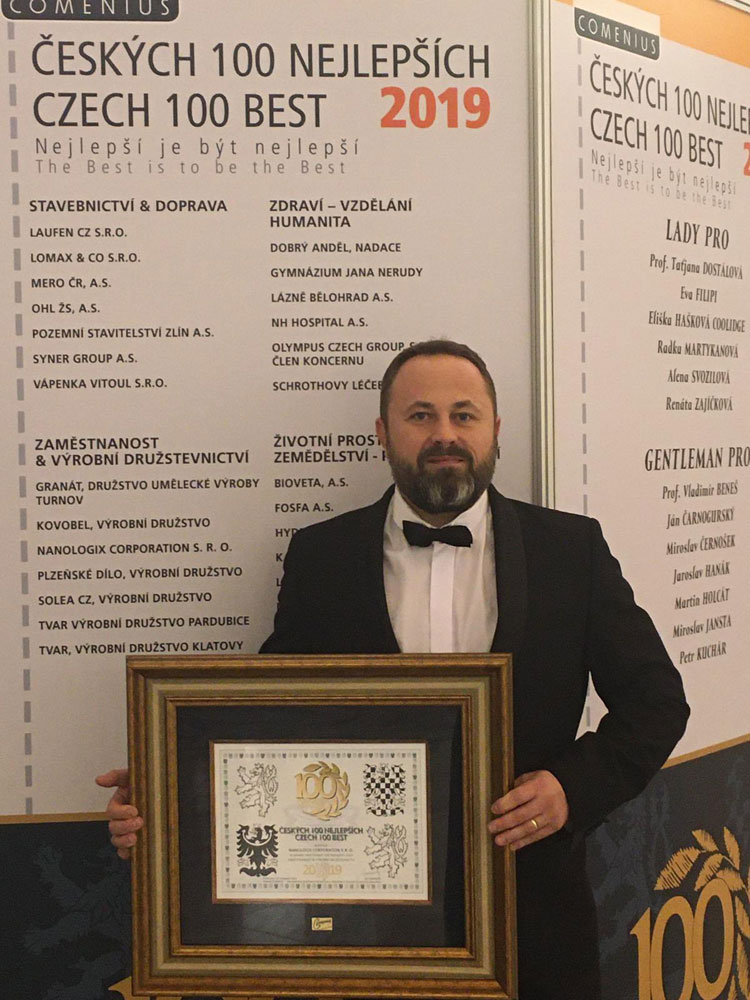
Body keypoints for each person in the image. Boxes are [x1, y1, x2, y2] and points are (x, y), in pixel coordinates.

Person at [98, 339, 689, 999]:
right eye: (420, 415)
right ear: (383, 432)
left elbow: (657, 703)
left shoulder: (571, 550)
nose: (444, 435)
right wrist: (168, 795)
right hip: (361, 927)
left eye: (464, 415)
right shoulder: (321, 557)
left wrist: (569, 789)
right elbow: (268, 729)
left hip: (533, 913)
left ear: (496, 429)